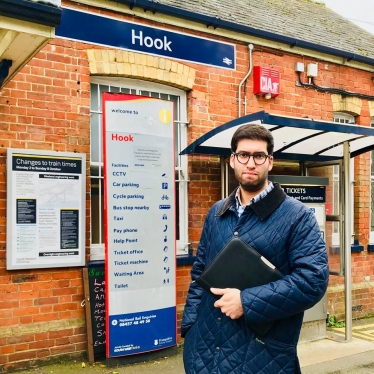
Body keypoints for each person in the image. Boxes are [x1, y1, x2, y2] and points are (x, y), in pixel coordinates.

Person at [181, 124, 329, 374]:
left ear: (269, 162)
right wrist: (190, 327)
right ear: (232, 160)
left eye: (259, 156)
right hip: (204, 351)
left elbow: (312, 281)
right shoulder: (216, 213)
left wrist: (246, 302)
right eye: (243, 155)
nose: (251, 163)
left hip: (263, 355)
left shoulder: (297, 216)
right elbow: (199, 275)